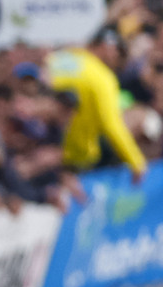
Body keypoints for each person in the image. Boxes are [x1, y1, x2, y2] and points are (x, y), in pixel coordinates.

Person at [27, 37, 149, 184]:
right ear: (106, 48)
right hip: (72, 156)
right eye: (120, 53)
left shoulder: (65, 56)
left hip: (30, 136)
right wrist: (136, 161)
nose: (120, 59)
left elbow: (37, 79)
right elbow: (111, 124)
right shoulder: (103, 78)